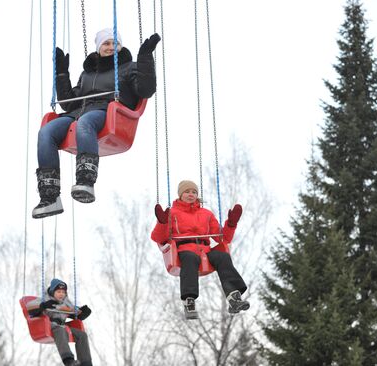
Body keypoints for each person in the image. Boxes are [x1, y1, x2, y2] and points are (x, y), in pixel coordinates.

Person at [32, 28, 161, 219]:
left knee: (85, 123)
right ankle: (50, 197)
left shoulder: (129, 67)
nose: (110, 47)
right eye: (106, 44)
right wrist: (61, 73)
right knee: (46, 132)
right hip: (79, 112)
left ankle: (86, 182)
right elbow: (68, 103)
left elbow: (146, 90)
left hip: (109, 112)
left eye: (114, 44)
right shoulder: (87, 74)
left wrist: (144, 59)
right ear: (99, 47)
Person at [151, 180, 250, 319]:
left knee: (222, 257)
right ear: (180, 194)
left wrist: (231, 224)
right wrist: (162, 222)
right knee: (191, 258)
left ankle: (234, 297)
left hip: (205, 250)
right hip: (183, 249)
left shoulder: (206, 214)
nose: (191, 194)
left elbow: (223, 239)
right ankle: (189, 300)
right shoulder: (172, 213)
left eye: (194, 192)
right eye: (187, 191)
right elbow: (158, 238)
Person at [27, 278, 93, 366]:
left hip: (63, 327)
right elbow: (30, 307)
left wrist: (82, 312)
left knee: (82, 335)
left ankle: (86, 363)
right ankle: (69, 360)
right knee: (60, 330)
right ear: (52, 291)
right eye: (58, 292)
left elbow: (74, 313)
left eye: (63, 292)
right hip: (50, 327)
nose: (61, 294)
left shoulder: (66, 304)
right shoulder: (45, 299)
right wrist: (43, 305)